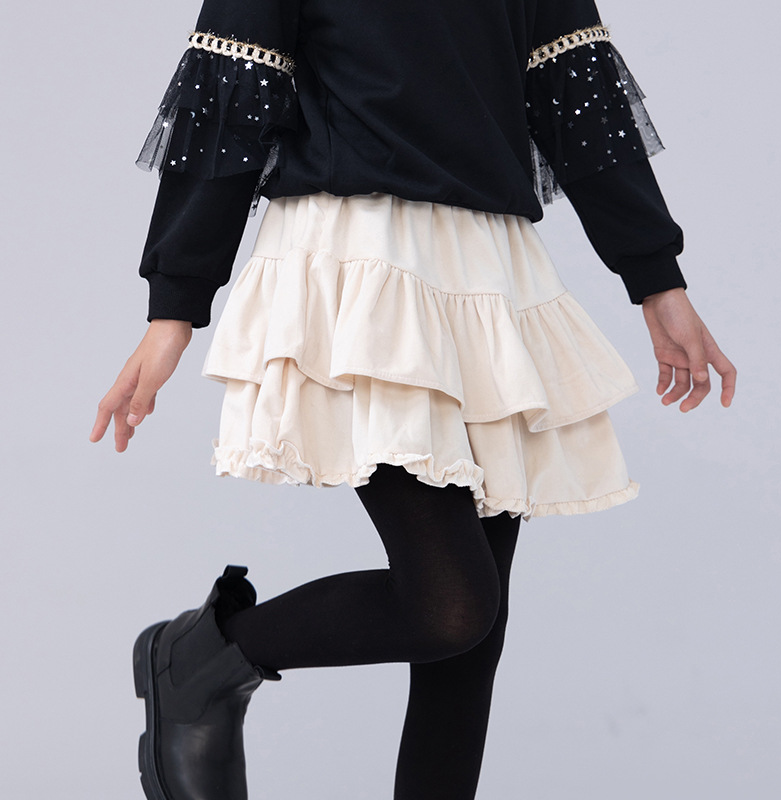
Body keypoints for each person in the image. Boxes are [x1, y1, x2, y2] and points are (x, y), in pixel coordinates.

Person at [90, 0, 737, 798]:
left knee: (471, 641)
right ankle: (200, 658)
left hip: (487, 263)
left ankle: (201, 659)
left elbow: (574, 87)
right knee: (450, 608)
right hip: (359, 251)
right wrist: (175, 306)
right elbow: (234, 84)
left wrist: (658, 279)